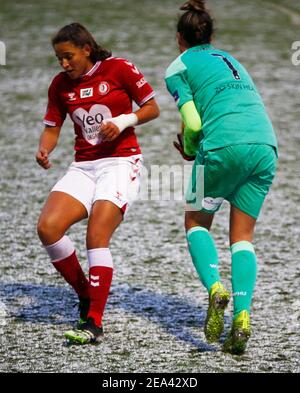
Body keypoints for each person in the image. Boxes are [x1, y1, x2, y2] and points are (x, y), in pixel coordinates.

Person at [165, 0, 277, 355]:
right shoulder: (232, 60)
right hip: (264, 147)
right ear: (210, 35)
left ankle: (215, 288)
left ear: (180, 38)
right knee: (243, 237)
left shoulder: (178, 66)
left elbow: (195, 124)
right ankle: (242, 316)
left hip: (221, 147)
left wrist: (189, 147)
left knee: (195, 221)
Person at [36, 22, 159, 345]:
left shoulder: (119, 69)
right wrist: (45, 149)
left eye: (68, 56)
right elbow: (52, 127)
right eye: (59, 58)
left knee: (96, 236)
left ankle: (93, 322)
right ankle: (86, 294)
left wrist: (122, 120)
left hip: (121, 162)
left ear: (86, 49)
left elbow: (151, 107)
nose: (64, 64)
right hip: (84, 166)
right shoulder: (60, 85)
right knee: (48, 228)